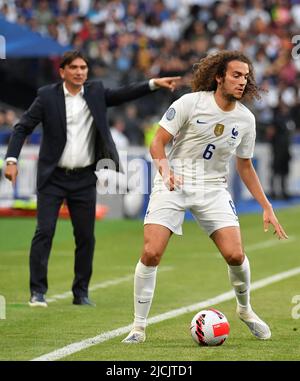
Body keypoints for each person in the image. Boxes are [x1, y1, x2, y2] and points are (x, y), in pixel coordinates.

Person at [122, 50, 288, 344]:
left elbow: (245, 165)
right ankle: (138, 327)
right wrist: (166, 171)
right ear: (219, 77)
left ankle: (245, 310)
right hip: (174, 182)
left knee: (236, 255)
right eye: (236, 75)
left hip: (213, 188)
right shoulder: (190, 103)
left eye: (246, 76)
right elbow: (158, 143)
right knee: (151, 253)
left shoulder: (246, 120)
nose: (242, 81)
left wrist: (267, 206)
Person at [4, 50, 180, 308]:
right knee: (44, 232)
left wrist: (153, 84)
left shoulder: (96, 92)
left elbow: (122, 93)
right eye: (74, 67)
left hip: (84, 177)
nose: (79, 72)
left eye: (83, 67)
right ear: (62, 71)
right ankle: (38, 291)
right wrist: (11, 160)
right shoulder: (46, 97)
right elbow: (22, 128)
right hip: (52, 177)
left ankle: (81, 292)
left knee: (86, 237)